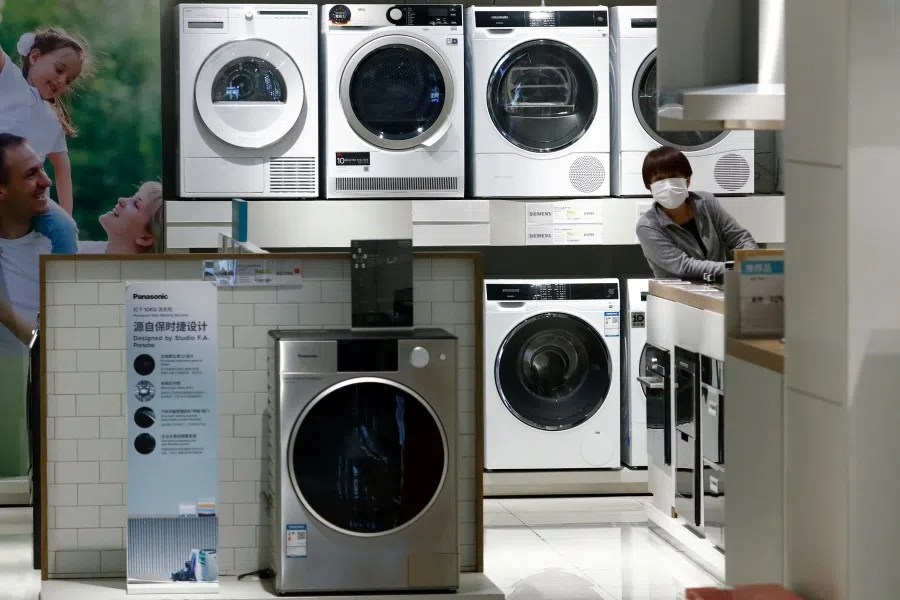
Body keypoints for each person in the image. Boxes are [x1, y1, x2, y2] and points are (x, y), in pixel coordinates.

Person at [0, 27, 94, 254]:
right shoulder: (11, 81)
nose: (62, 81)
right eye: (59, 70)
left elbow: (62, 169)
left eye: (69, 80)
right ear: (34, 57)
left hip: (29, 200)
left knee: (65, 229)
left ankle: (63, 284)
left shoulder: (53, 120)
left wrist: (67, 216)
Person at [635, 146, 758, 281]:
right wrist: (733, 268)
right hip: (676, 298)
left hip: (721, 291)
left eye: (673, 177)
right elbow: (684, 267)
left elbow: (739, 238)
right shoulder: (648, 226)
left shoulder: (707, 202)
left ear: (687, 180)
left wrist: (753, 261)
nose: (668, 186)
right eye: (659, 180)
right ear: (650, 187)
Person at [77, 181, 163, 254]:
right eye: (131, 197)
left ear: (145, 239)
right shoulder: (80, 249)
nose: (121, 199)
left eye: (136, 205)